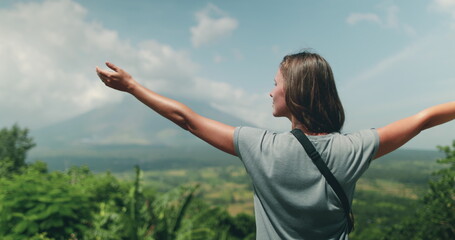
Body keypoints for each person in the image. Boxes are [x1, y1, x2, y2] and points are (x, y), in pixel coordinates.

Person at [96, 51, 455, 240]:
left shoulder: (259, 146)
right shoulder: (353, 149)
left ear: (294, 91)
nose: (269, 91)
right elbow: (423, 119)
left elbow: (186, 118)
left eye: (275, 84)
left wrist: (132, 87)